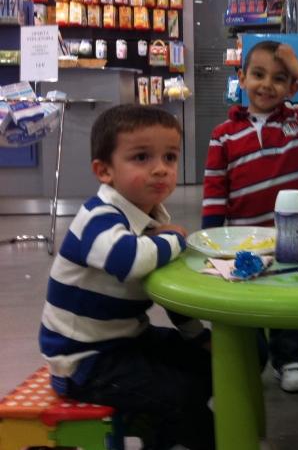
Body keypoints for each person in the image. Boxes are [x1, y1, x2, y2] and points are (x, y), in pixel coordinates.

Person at [39, 105, 215, 450]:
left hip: (128, 340)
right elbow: (128, 260)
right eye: (141, 158)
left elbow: (171, 292)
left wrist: (197, 338)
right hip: (84, 361)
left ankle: (160, 425)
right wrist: (175, 238)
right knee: (181, 395)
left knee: (214, 363)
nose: (161, 169)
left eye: (170, 157)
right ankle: (178, 429)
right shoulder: (98, 216)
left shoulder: (153, 217)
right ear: (104, 171)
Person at [202, 40, 298, 392]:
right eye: (258, 75)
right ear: (242, 78)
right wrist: (209, 240)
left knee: (286, 297)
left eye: (280, 78)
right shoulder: (223, 135)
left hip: (294, 234)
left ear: (292, 87)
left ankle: (289, 359)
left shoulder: (295, 121)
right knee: (246, 300)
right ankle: (250, 358)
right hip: (245, 237)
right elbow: (215, 191)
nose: (267, 85)